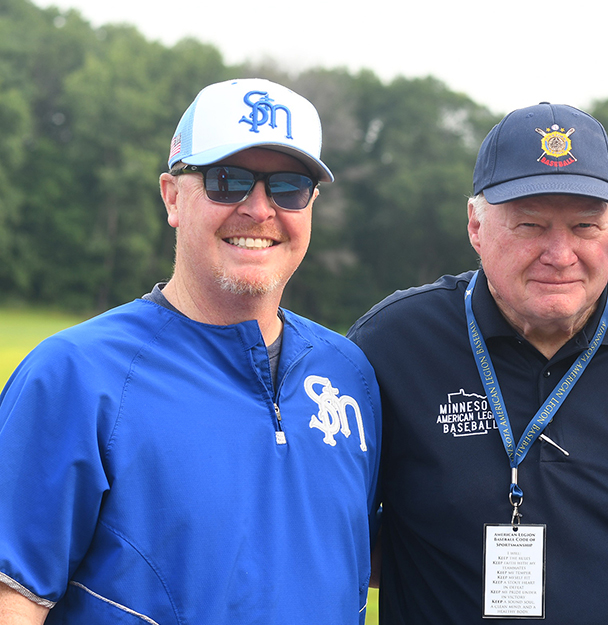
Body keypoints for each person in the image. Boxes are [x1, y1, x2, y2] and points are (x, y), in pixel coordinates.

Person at [0, 78, 381, 624]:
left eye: (289, 187)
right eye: (228, 181)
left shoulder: (348, 373)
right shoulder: (75, 374)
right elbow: (12, 600)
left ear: (311, 204)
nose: (259, 209)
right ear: (173, 196)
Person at [347, 102, 608, 624]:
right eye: (530, 225)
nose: (560, 253)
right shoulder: (393, 343)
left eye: (586, 226)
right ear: (476, 225)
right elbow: (332, 540)